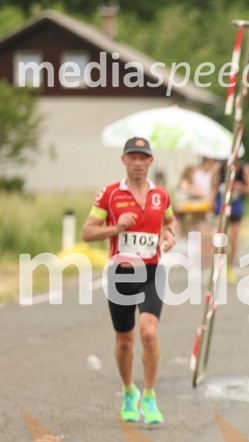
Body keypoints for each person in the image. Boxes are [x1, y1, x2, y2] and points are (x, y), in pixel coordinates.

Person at [81, 137, 177, 424]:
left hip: (151, 271)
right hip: (120, 273)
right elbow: (87, 232)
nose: (137, 163)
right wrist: (115, 227)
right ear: (124, 160)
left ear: (150, 161)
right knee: (125, 340)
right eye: (132, 157)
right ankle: (128, 392)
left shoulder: (161, 194)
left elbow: (171, 222)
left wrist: (170, 235)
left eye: (142, 158)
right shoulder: (109, 195)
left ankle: (149, 395)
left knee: (148, 333)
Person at [214, 159, 249, 283]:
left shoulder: (245, 169)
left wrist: (242, 188)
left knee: (233, 239)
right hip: (222, 206)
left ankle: (229, 267)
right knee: (222, 237)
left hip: (236, 207)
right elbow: (213, 184)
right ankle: (219, 267)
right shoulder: (219, 167)